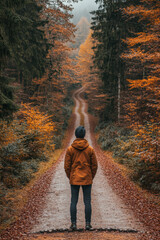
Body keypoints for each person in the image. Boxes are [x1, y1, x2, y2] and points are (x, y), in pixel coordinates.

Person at [64, 126, 98, 231]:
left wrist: (71, 176)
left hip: (74, 178)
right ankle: (88, 224)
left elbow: (66, 166)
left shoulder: (70, 149)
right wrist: (90, 176)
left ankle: (73, 224)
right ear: (84, 135)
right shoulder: (90, 149)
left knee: (73, 201)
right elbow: (94, 165)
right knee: (87, 202)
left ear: (76, 134)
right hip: (87, 178)